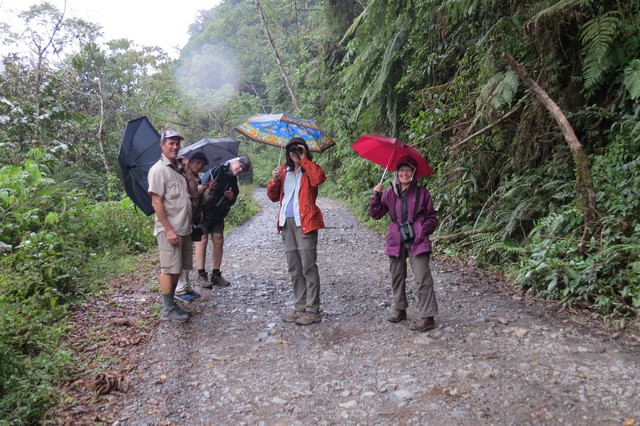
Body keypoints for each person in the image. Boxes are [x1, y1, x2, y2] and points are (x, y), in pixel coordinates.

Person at [369, 155, 439, 332]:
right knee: (397, 276)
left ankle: (427, 316)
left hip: (417, 239)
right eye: (401, 170)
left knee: (423, 277)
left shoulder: (422, 193)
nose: (404, 173)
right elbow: (376, 214)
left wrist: (421, 230)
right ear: (396, 173)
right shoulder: (389, 193)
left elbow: (432, 217)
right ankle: (400, 309)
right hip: (396, 238)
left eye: (408, 170)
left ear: (413, 173)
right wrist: (376, 196)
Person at [267, 137, 327, 326]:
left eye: (299, 149)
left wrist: (303, 160)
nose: (295, 152)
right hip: (287, 223)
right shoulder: (283, 172)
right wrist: (275, 180)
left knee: (308, 265)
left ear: (305, 150)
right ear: (287, 152)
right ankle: (300, 307)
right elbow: (272, 196)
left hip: (306, 222)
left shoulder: (308, 169)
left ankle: (312, 310)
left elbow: (319, 179)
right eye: (292, 150)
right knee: (294, 268)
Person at [147, 130, 199, 322]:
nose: (175, 147)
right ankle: (167, 308)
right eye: (171, 143)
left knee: (178, 268)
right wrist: (168, 229)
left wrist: (187, 170)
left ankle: (171, 303)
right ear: (162, 145)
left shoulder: (178, 170)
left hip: (183, 227)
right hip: (170, 229)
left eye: (177, 143)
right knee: (169, 268)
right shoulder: (158, 170)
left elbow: (194, 193)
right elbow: (156, 203)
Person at [195, 156, 251, 288]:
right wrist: (209, 188)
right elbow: (198, 189)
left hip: (218, 214)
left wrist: (231, 198)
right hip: (204, 211)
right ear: (235, 162)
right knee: (202, 240)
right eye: (240, 166)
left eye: (243, 169)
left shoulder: (232, 179)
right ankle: (201, 275)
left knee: (219, 241)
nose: (240, 169)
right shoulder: (216, 170)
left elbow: (233, 198)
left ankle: (216, 274)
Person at [175, 151, 217, 302]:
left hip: (191, 220)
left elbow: (200, 201)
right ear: (189, 161)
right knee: (178, 256)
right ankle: (178, 289)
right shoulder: (179, 175)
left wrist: (210, 190)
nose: (199, 166)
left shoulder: (197, 178)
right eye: (197, 163)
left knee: (187, 255)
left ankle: (186, 286)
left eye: (202, 165)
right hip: (179, 220)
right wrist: (199, 189)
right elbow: (186, 195)